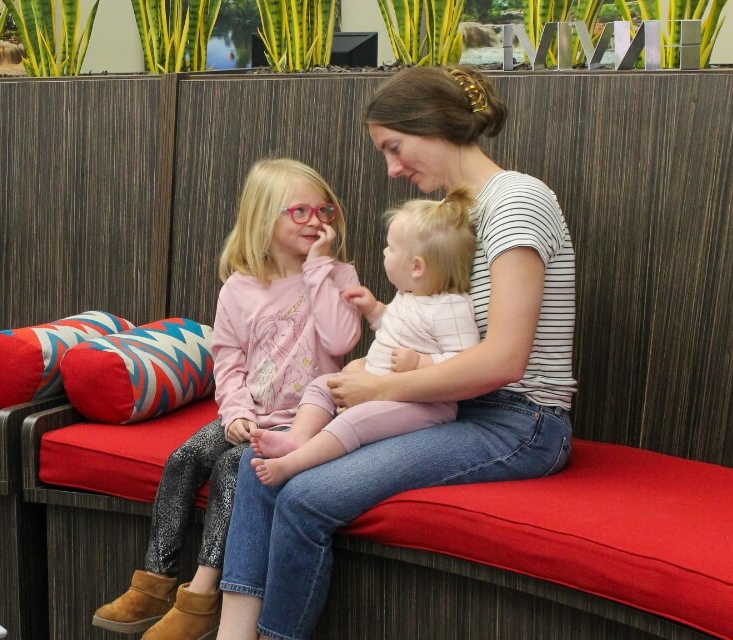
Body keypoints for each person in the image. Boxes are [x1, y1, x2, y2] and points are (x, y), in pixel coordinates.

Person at [217, 65, 577, 640]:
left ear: (432, 125)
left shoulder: (516, 202)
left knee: (306, 497)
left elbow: (505, 360)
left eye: (394, 147)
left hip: (518, 421)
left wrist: (380, 387)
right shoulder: (457, 211)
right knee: (257, 474)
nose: (392, 167)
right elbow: (430, 327)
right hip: (451, 405)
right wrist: (374, 366)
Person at [93, 158, 362, 640]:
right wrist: (234, 411)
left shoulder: (338, 276)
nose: (317, 220)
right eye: (300, 211)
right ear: (264, 218)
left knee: (232, 468)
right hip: (248, 410)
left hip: (303, 421)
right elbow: (229, 360)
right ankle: (155, 580)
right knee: (184, 457)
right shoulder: (239, 287)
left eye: (325, 209)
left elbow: (342, 340)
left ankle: (201, 594)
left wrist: (321, 268)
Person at [250, 191, 481, 487]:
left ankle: (293, 463)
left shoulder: (451, 307)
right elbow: (395, 330)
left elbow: (466, 360)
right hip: (382, 386)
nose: (384, 252)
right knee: (322, 384)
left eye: (391, 248)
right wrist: (374, 310)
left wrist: (423, 362)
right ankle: (297, 437)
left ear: (416, 267)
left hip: (424, 405)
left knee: (352, 423)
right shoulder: (409, 296)